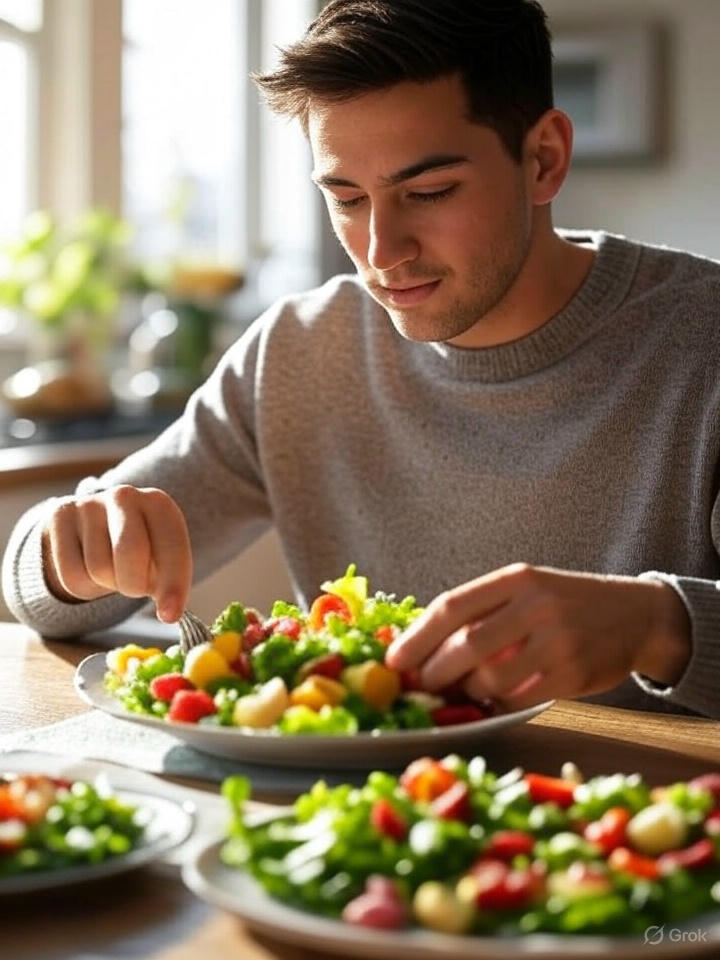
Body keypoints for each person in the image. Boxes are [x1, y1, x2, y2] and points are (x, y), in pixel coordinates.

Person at [3, 0, 720, 720]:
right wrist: (67, 552)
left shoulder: (703, 340)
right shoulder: (300, 351)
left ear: (544, 159)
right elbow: (49, 593)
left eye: (429, 192)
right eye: (345, 198)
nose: (382, 253)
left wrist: (659, 625)